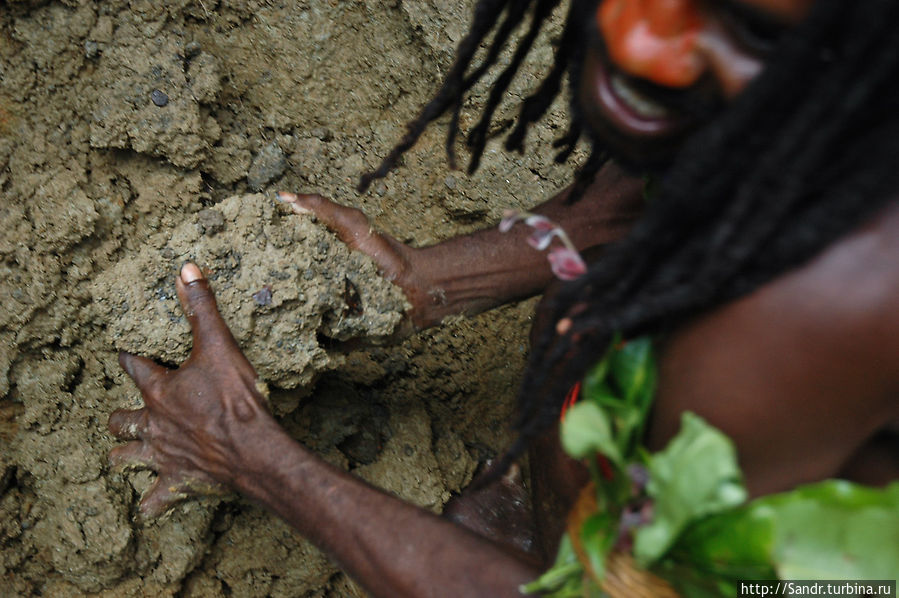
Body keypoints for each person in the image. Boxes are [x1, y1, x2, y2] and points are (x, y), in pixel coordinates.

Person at [107, 0, 899, 595]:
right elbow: (626, 201)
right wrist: (418, 284)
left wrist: (248, 453)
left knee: (596, 337)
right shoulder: (764, 81)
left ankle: (569, 540)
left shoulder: (818, 313)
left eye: (753, 29)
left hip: (829, 570)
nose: (633, 36)